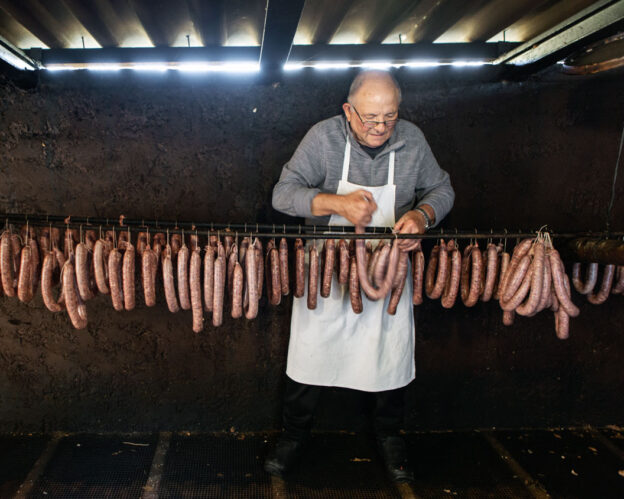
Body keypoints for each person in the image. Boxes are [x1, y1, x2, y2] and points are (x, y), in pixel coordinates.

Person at [267, 70, 454, 482]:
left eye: (389, 117)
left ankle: (390, 437)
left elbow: (442, 190)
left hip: (388, 270)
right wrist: (335, 203)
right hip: (326, 274)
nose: (380, 127)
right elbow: (282, 194)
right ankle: (294, 436)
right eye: (370, 118)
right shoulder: (323, 138)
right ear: (348, 111)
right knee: (309, 356)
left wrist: (421, 216)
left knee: (390, 356)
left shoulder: (413, 140)